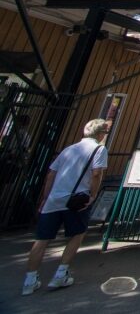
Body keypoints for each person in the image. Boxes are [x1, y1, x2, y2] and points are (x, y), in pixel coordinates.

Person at [22, 118, 109, 296]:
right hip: (77, 199)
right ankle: (61, 273)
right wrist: (92, 195)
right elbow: (97, 173)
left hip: (54, 199)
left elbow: (50, 174)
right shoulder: (99, 149)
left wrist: (46, 198)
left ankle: (29, 281)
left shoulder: (68, 149)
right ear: (101, 134)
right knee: (76, 235)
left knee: (42, 239)